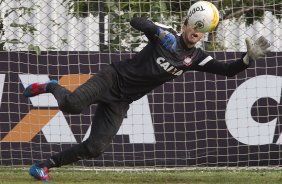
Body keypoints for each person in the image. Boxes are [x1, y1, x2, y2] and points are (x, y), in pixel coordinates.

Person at [25, 16, 270, 182]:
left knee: (95, 148)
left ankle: (44, 166)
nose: (196, 32)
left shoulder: (195, 57)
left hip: (122, 100)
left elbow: (227, 71)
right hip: (112, 77)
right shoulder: (167, 34)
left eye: (202, 29)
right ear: (185, 24)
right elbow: (136, 20)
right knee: (72, 105)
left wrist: (247, 59)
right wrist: (156, 32)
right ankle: (52, 86)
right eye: (194, 26)